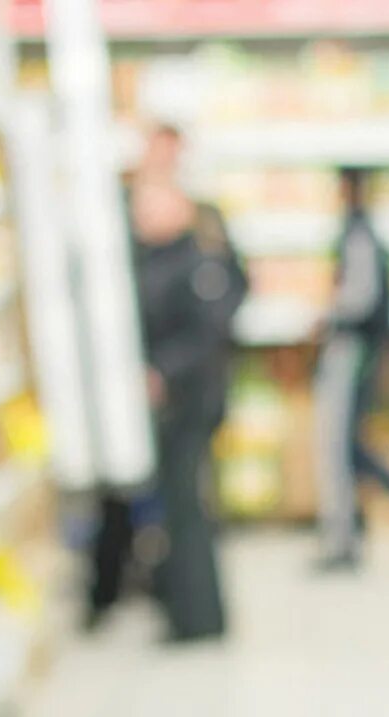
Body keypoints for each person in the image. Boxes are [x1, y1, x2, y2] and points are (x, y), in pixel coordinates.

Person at [90, 122, 246, 643]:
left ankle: (196, 613)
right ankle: (166, 598)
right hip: (160, 397)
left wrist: (165, 371)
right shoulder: (126, 218)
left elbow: (218, 313)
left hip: (188, 396)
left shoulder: (203, 232)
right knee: (171, 506)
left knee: (188, 505)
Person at [314, 165, 389, 572]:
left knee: (340, 446)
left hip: (353, 351)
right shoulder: (362, 232)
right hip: (362, 350)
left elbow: (359, 299)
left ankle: (348, 537)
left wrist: (328, 316)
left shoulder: (357, 234)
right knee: (351, 449)